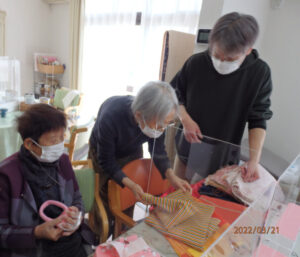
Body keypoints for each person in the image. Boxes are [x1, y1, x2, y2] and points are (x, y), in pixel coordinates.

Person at [171, 12, 273, 183]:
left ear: (248, 50)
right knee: (175, 196)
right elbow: (174, 93)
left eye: (231, 58)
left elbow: (259, 119)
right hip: (187, 148)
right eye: (217, 56)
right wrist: (185, 119)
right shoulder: (196, 63)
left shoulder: (259, 73)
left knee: (205, 203)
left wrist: (254, 159)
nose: (221, 62)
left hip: (223, 156)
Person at [89, 81, 192, 236]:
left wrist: (172, 177)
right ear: (139, 115)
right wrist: (129, 183)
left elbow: (157, 150)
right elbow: (106, 161)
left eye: (166, 125)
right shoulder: (111, 116)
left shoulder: (155, 118)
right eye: (159, 126)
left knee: (129, 198)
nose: (162, 130)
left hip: (131, 150)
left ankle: (122, 233)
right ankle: (98, 236)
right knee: (103, 197)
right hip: (103, 153)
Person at [0, 104, 95, 257]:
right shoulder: (7, 175)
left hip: (70, 242)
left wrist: (76, 215)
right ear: (30, 144)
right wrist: (36, 232)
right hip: (33, 249)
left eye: (62, 137)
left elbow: (77, 198)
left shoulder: (63, 161)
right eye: (52, 140)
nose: (59, 146)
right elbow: (2, 231)